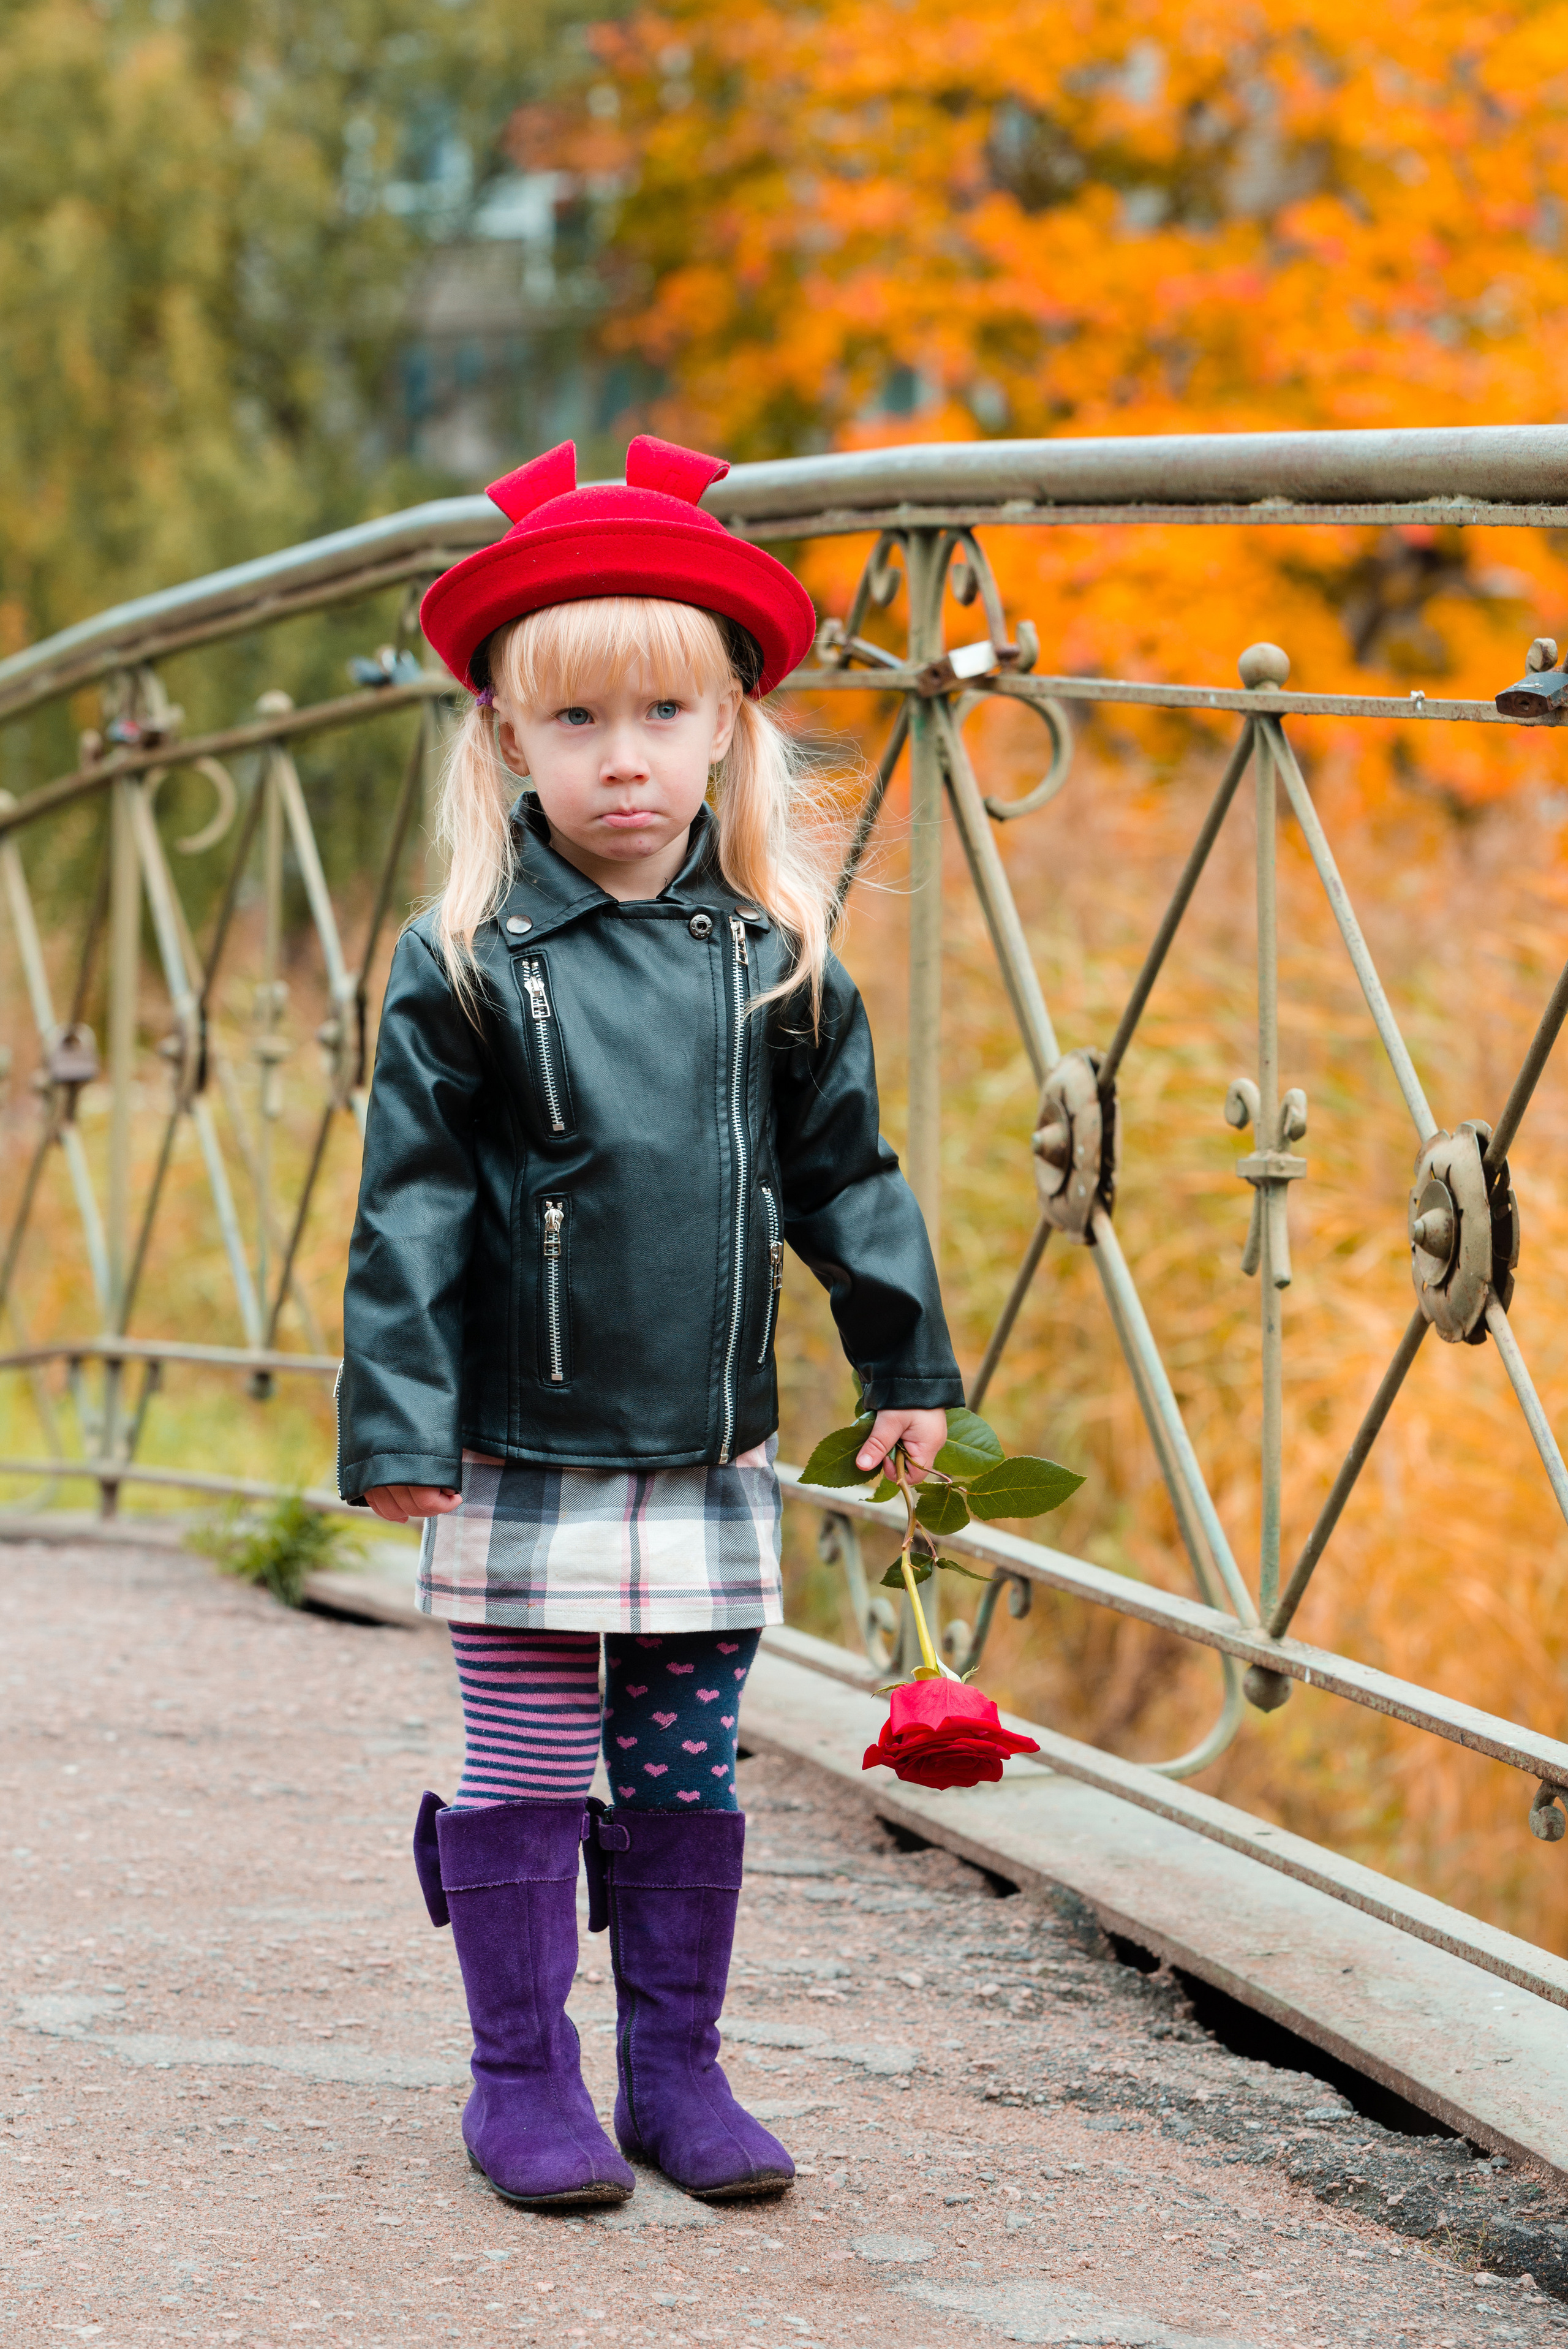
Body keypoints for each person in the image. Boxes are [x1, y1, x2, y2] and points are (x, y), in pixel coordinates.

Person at [336, 434, 963, 2211]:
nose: (626, 759)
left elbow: (850, 1177)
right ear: (507, 743)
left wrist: (906, 1359)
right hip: (519, 1440)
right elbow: (413, 1207)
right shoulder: (461, 959)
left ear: (731, 726)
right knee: (528, 1756)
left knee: (688, 1758)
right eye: (578, 723)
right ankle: (519, 2071)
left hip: (704, 1445)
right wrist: (395, 1423)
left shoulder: (780, 952)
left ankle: (674, 2069)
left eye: (665, 714)